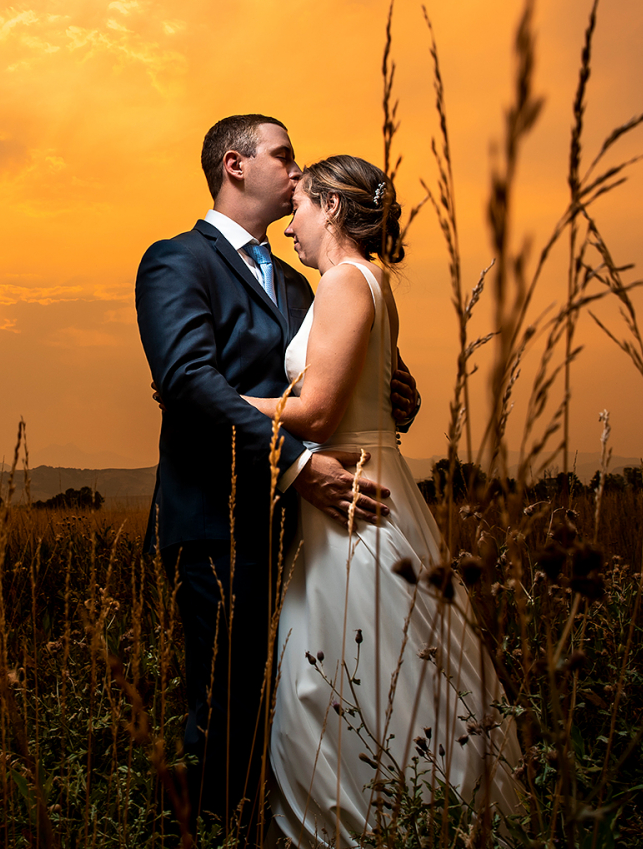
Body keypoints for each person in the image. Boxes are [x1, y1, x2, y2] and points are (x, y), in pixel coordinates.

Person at [135, 117, 421, 845]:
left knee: (297, 707)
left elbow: (358, 375)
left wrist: (390, 393)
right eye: (284, 156)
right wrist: (294, 463)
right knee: (227, 709)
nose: (297, 174)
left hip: (308, 534)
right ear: (234, 165)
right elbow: (189, 381)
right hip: (218, 523)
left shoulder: (305, 281)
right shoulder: (175, 261)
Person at [244, 155, 522, 847]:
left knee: (358, 677)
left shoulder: (342, 280)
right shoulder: (371, 282)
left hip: (352, 503)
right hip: (371, 481)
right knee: (390, 675)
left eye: (302, 209)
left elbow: (316, 409)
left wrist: (218, 405)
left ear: (332, 208)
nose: (293, 228)